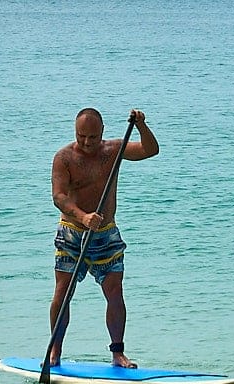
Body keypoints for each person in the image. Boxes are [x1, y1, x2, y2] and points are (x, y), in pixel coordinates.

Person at [48, 107, 159, 368]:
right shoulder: (63, 158)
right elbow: (59, 197)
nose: (87, 142)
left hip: (106, 235)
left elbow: (150, 150)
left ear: (103, 133)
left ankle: (118, 353)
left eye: (93, 137)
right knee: (63, 292)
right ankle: (55, 350)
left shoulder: (113, 151)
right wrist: (83, 217)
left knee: (114, 292)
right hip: (72, 235)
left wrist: (141, 125)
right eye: (81, 136)